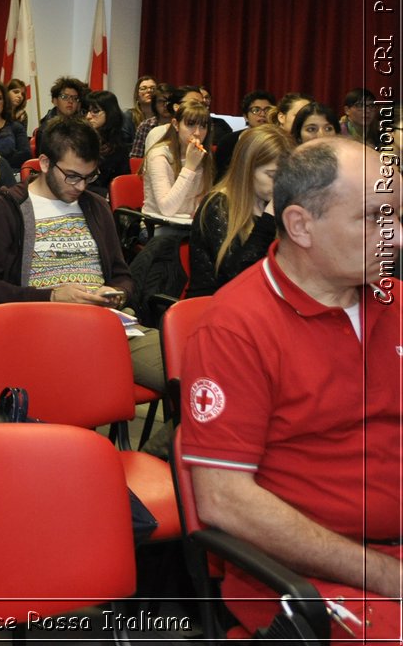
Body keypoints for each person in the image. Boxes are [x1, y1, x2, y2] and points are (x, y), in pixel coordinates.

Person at [181, 138, 400, 641]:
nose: (398, 236)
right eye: (375, 217)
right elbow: (225, 501)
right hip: (313, 576)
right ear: (301, 225)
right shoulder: (236, 328)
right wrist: (387, 576)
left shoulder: (393, 300)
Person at [0, 117, 162, 390]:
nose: (80, 186)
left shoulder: (95, 207)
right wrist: (52, 296)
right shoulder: (7, 208)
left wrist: (116, 294)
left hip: (107, 326)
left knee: (190, 371)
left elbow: (122, 275)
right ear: (44, 163)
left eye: (89, 177)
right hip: (39, 329)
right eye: (72, 176)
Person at [188, 123, 294, 297]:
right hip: (216, 306)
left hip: (264, 303)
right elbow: (237, 277)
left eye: (286, 176)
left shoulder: (277, 203)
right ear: (247, 170)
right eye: (272, 175)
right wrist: (268, 220)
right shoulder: (217, 205)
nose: (280, 184)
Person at [142, 97, 213, 221]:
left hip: (189, 223)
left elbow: (201, 197)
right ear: (176, 124)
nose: (197, 133)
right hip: (158, 224)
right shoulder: (158, 155)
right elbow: (167, 209)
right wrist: (190, 167)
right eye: (190, 124)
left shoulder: (202, 154)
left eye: (203, 126)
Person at [83, 89, 132, 194]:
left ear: (110, 113)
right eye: (86, 111)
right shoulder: (80, 139)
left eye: (95, 111)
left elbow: (121, 186)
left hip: (105, 199)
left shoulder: (120, 144)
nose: (88, 116)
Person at [31, 75, 87, 157]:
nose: (70, 101)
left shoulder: (83, 126)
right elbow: (44, 161)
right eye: (65, 97)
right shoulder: (45, 130)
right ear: (55, 101)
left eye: (75, 98)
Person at [124, 75, 161, 140]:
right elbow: (125, 143)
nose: (149, 91)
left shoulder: (163, 115)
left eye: (153, 88)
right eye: (143, 88)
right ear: (137, 95)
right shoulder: (129, 116)